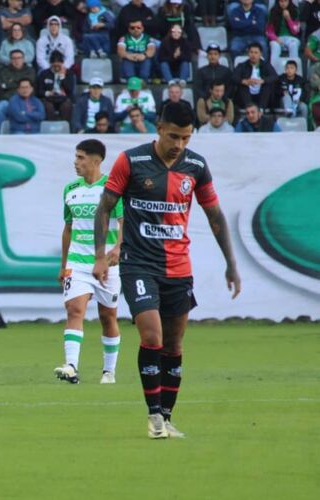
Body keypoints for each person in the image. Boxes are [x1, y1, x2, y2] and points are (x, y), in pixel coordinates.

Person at [92, 100, 241, 439]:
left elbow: (215, 216)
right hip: (139, 264)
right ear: (159, 127)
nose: (179, 145)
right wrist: (100, 255)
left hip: (178, 267)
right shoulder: (131, 160)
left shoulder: (196, 166)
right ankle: (154, 417)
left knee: (174, 346)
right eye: (174, 136)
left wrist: (231, 264)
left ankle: (168, 416)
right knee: (152, 337)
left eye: (186, 138)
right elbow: (105, 208)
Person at [55, 139, 122, 385]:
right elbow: (67, 229)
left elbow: (124, 223)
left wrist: (117, 249)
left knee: (108, 317)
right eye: (76, 157)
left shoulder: (113, 189)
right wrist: (63, 265)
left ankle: (108, 371)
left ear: (96, 161)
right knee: (74, 310)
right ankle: (71, 366)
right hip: (78, 262)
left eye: (81, 157)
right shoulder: (70, 189)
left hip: (107, 265)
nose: (76, 162)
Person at [0, 48, 37, 133]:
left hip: (26, 100)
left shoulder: (30, 70)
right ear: (10, 60)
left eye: (19, 58)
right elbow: (3, 85)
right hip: (8, 99)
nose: (16, 60)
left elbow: (29, 85)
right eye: (14, 58)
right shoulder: (4, 71)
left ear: (23, 59)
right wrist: (20, 83)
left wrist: (11, 83)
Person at [232, 42, 277, 111]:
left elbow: (274, 76)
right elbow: (234, 77)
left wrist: (263, 81)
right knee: (242, 86)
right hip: (246, 95)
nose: (253, 55)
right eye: (251, 52)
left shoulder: (266, 65)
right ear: (248, 53)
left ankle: (261, 110)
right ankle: (249, 109)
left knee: (267, 86)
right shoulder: (242, 65)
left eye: (256, 53)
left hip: (261, 94)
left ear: (260, 54)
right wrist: (244, 81)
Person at [35, 50, 74, 122]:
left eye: (58, 65)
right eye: (54, 66)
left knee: (66, 106)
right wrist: (48, 93)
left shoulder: (68, 73)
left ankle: (65, 128)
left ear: (62, 64)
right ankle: (50, 128)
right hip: (48, 98)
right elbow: (39, 91)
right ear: (50, 64)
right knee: (48, 107)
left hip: (63, 98)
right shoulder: (44, 74)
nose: (56, 68)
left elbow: (70, 90)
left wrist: (62, 77)